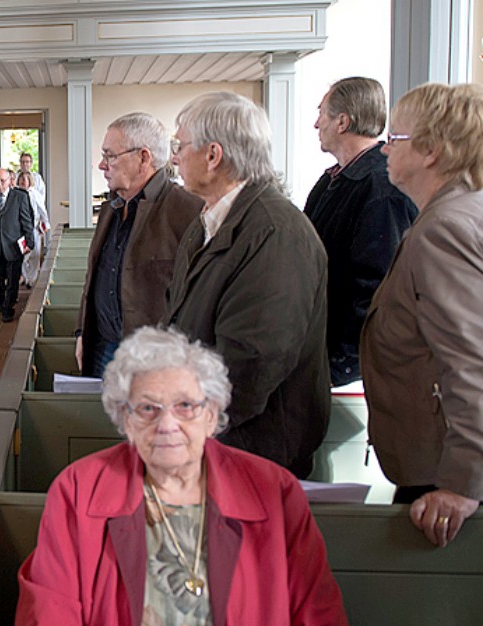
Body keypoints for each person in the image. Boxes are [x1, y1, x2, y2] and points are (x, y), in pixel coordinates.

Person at [12, 326, 367, 626]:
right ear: (125, 419)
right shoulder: (78, 491)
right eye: (147, 408)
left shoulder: (274, 491)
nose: (167, 425)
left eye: (185, 406)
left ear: (212, 415)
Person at [164, 92, 329, 478]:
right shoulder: (208, 220)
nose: (174, 157)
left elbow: (249, 366)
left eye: (179, 145)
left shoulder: (275, 232)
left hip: (251, 449)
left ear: (213, 155)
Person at [361, 82, 483, 548]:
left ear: (431, 150)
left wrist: (461, 484)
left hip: (446, 480)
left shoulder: (444, 228)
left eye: (396, 138)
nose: (385, 149)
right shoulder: (455, 214)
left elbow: (471, 360)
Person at [304, 77, 417, 386]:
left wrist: (341, 365)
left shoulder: (382, 188)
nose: (316, 124)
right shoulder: (331, 182)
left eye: (322, 113)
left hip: (350, 371)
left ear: (342, 121)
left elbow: (376, 286)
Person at [77, 112, 203, 378]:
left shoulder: (188, 211)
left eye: (110, 155)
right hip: (102, 347)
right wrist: (82, 332)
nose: (102, 165)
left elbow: (197, 300)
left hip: (152, 362)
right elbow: (95, 276)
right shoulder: (112, 205)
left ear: (143, 157)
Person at [0, 168, 33, 323]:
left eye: (2, 180)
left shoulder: (20, 196)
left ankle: (8, 308)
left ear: (10, 180)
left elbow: (27, 221)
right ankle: (0, 299)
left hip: (13, 245)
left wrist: (30, 242)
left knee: (13, 279)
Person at [17, 171, 48, 289]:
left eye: (25, 179)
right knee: (23, 255)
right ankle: (24, 276)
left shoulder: (35, 194)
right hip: (20, 230)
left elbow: (42, 211)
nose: (23, 181)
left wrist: (45, 225)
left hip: (33, 228)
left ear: (30, 181)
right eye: (21, 179)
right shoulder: (15, 194)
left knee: (34, 254)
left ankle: (32, 278)